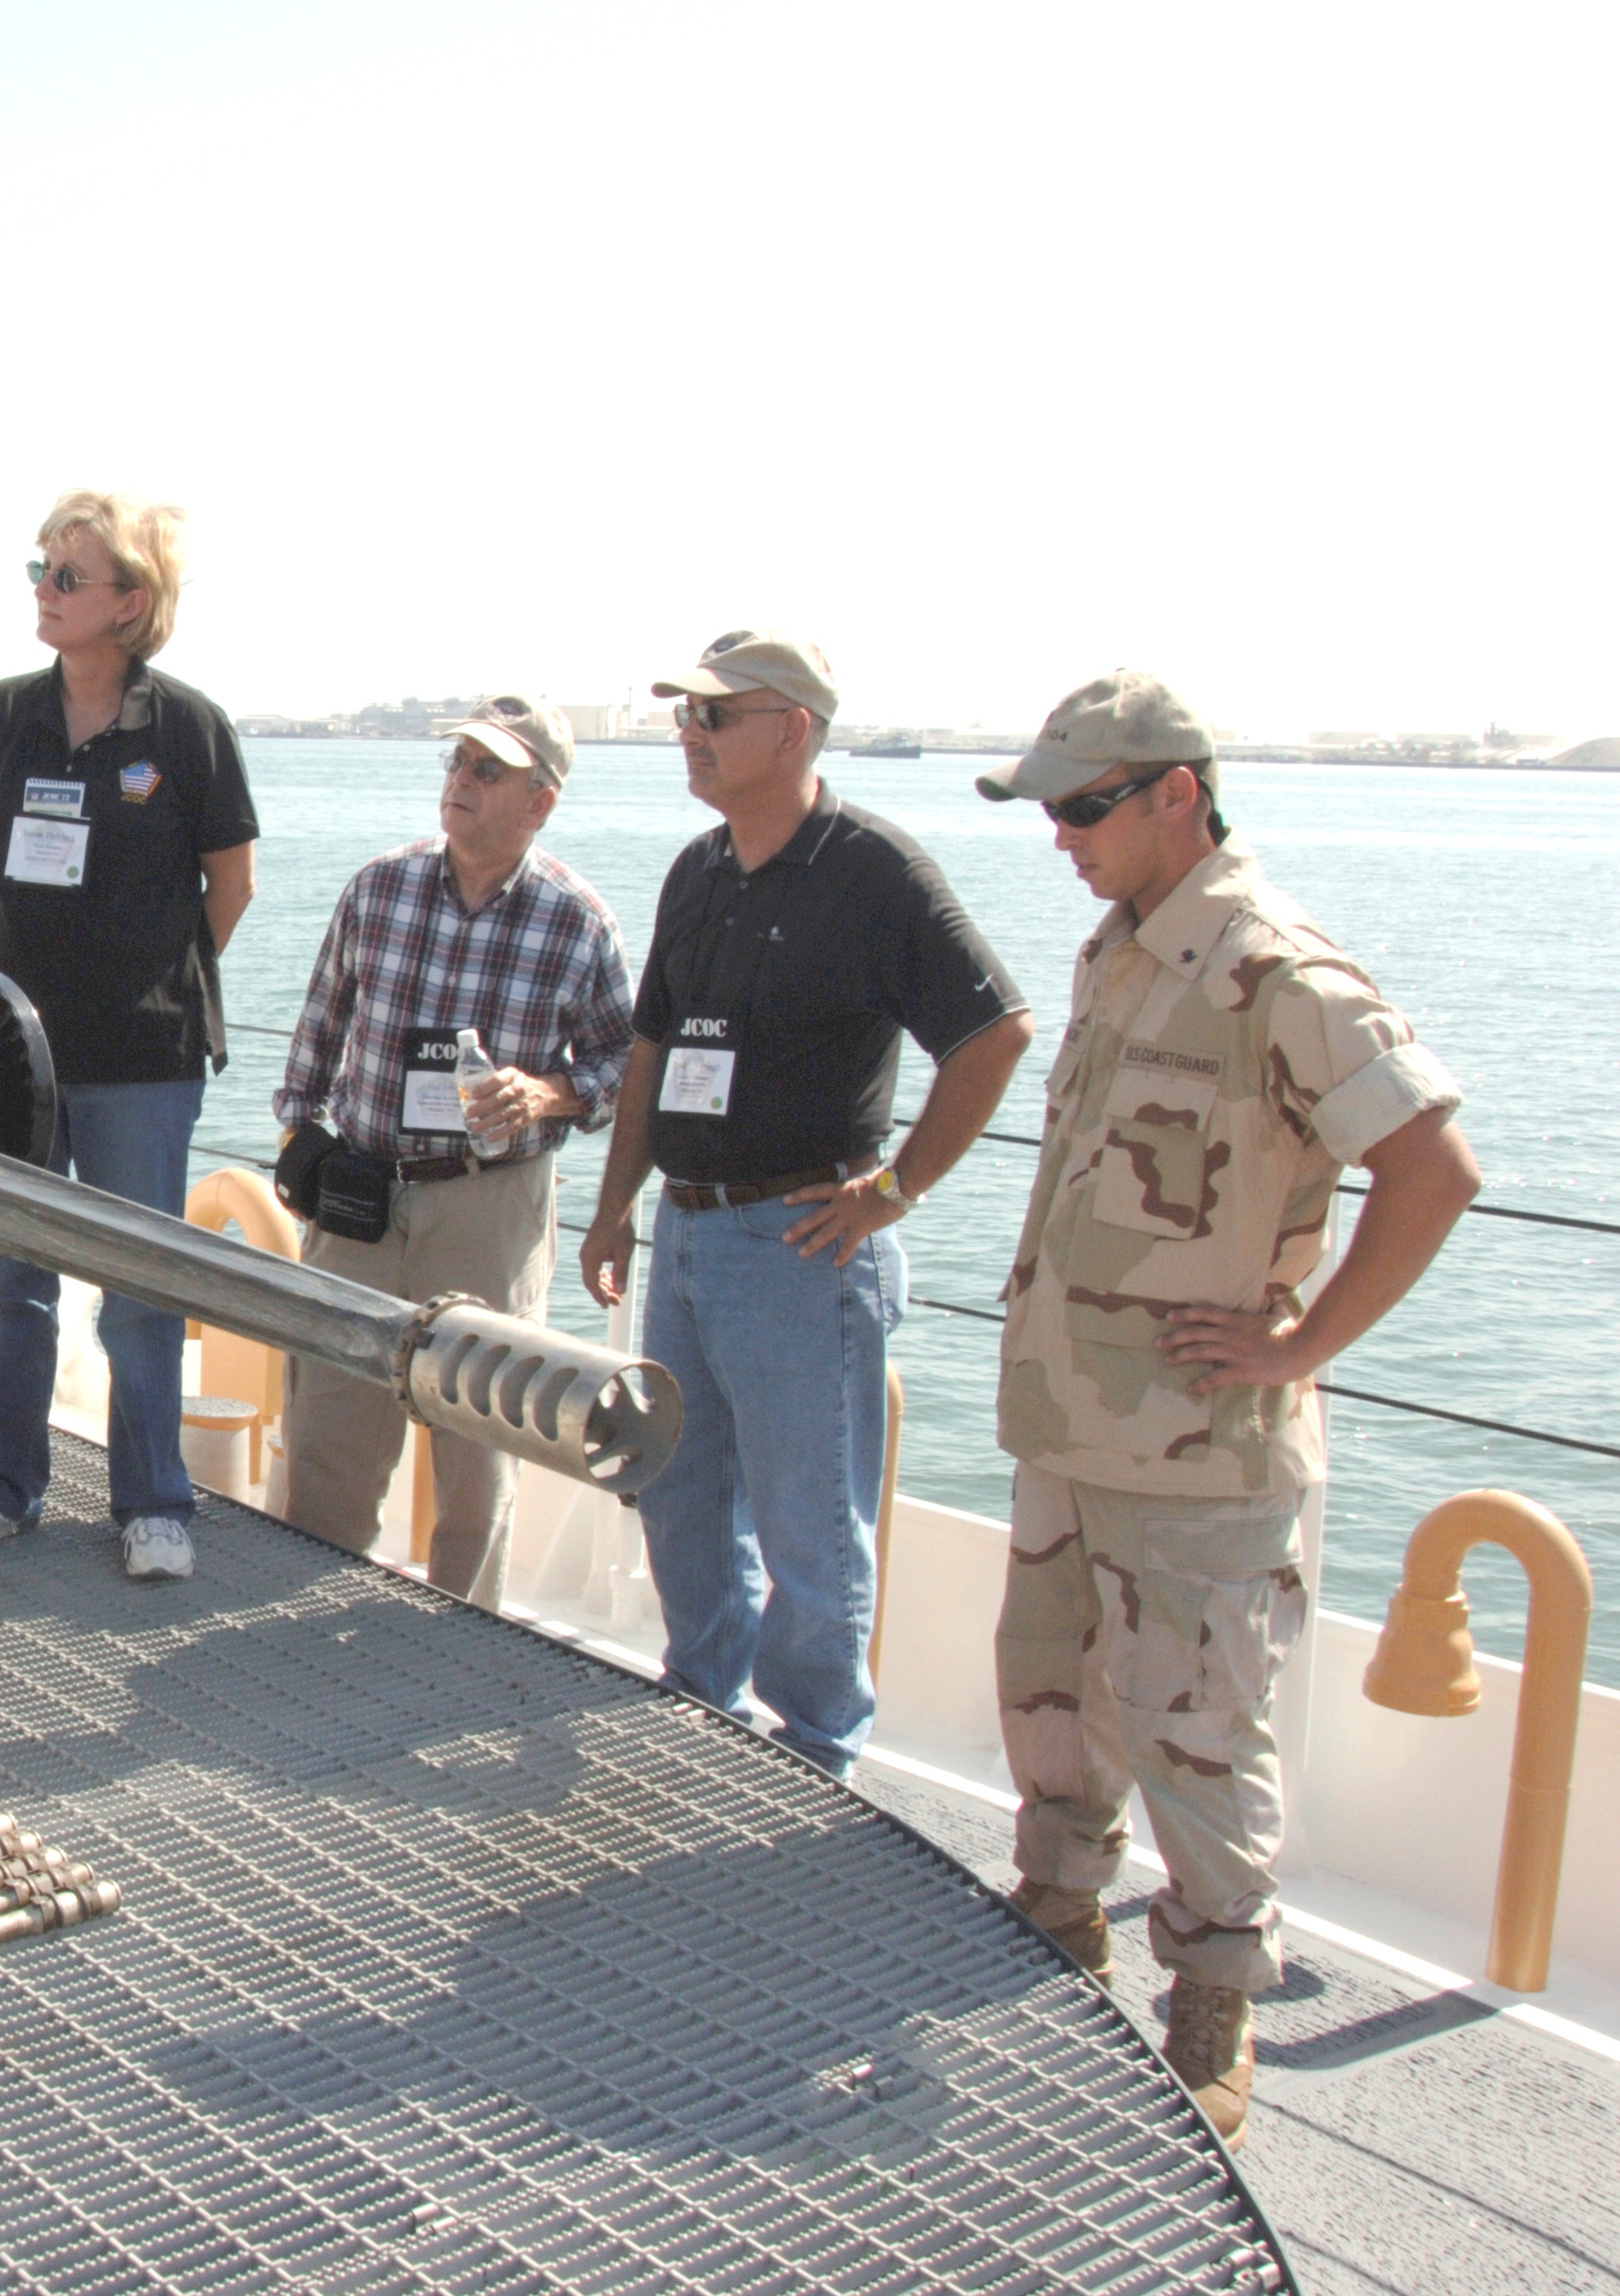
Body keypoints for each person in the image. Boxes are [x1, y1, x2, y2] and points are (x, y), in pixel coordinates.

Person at [978, 672, 1475, 2152]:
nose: (1059, 833)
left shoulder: (1274, 971)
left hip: (1197, 1448)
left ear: (1173, 795)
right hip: (1070, 1421)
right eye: (1049, 807)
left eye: (1081, 804)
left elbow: (1431, 1167)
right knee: (1049, 1692)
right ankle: (1057, 1914)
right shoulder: (1119, 950)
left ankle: (1210, 1999)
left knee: (1200, 1725)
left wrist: (1300, 1340)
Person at [579, 629, 1033, 1775]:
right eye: (686, 715)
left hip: (797, 1248)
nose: (692, 734)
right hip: (685, 1228)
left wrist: (897, 1187)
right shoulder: (698, 870)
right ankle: (703, 1703)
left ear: (792, 729)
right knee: (679, 1497)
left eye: (715, 717)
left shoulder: (874, 873)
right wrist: (614, 1205)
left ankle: (818, 1752)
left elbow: (994, 1034)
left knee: (809, 1529)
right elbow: (650, 1049)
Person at [0, 492, 257, 1582]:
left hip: (142, 1059)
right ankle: (1, 1486)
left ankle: (152, 1503)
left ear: (130, 602)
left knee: (138, 1284)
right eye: (39, 572)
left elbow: (232, 882)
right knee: (14, 1274)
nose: (45, 593)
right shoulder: (1, 715)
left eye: (67, 578)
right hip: (15, 1055)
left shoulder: (187, 729)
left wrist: (143, 976)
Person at [269, 696, 633, 1604]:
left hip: (489, 1204)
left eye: (487, 770)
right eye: (457, 764)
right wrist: (298, 1138)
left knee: (481, 1446)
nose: (460, 782)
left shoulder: (576, 921)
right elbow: (320, 1027)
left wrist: (547, 1093)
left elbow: (626, 1061)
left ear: (539, 802)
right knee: (330, 1437)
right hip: (362, 1195)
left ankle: (463, 1635)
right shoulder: (379, 887)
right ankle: (301, 1616)